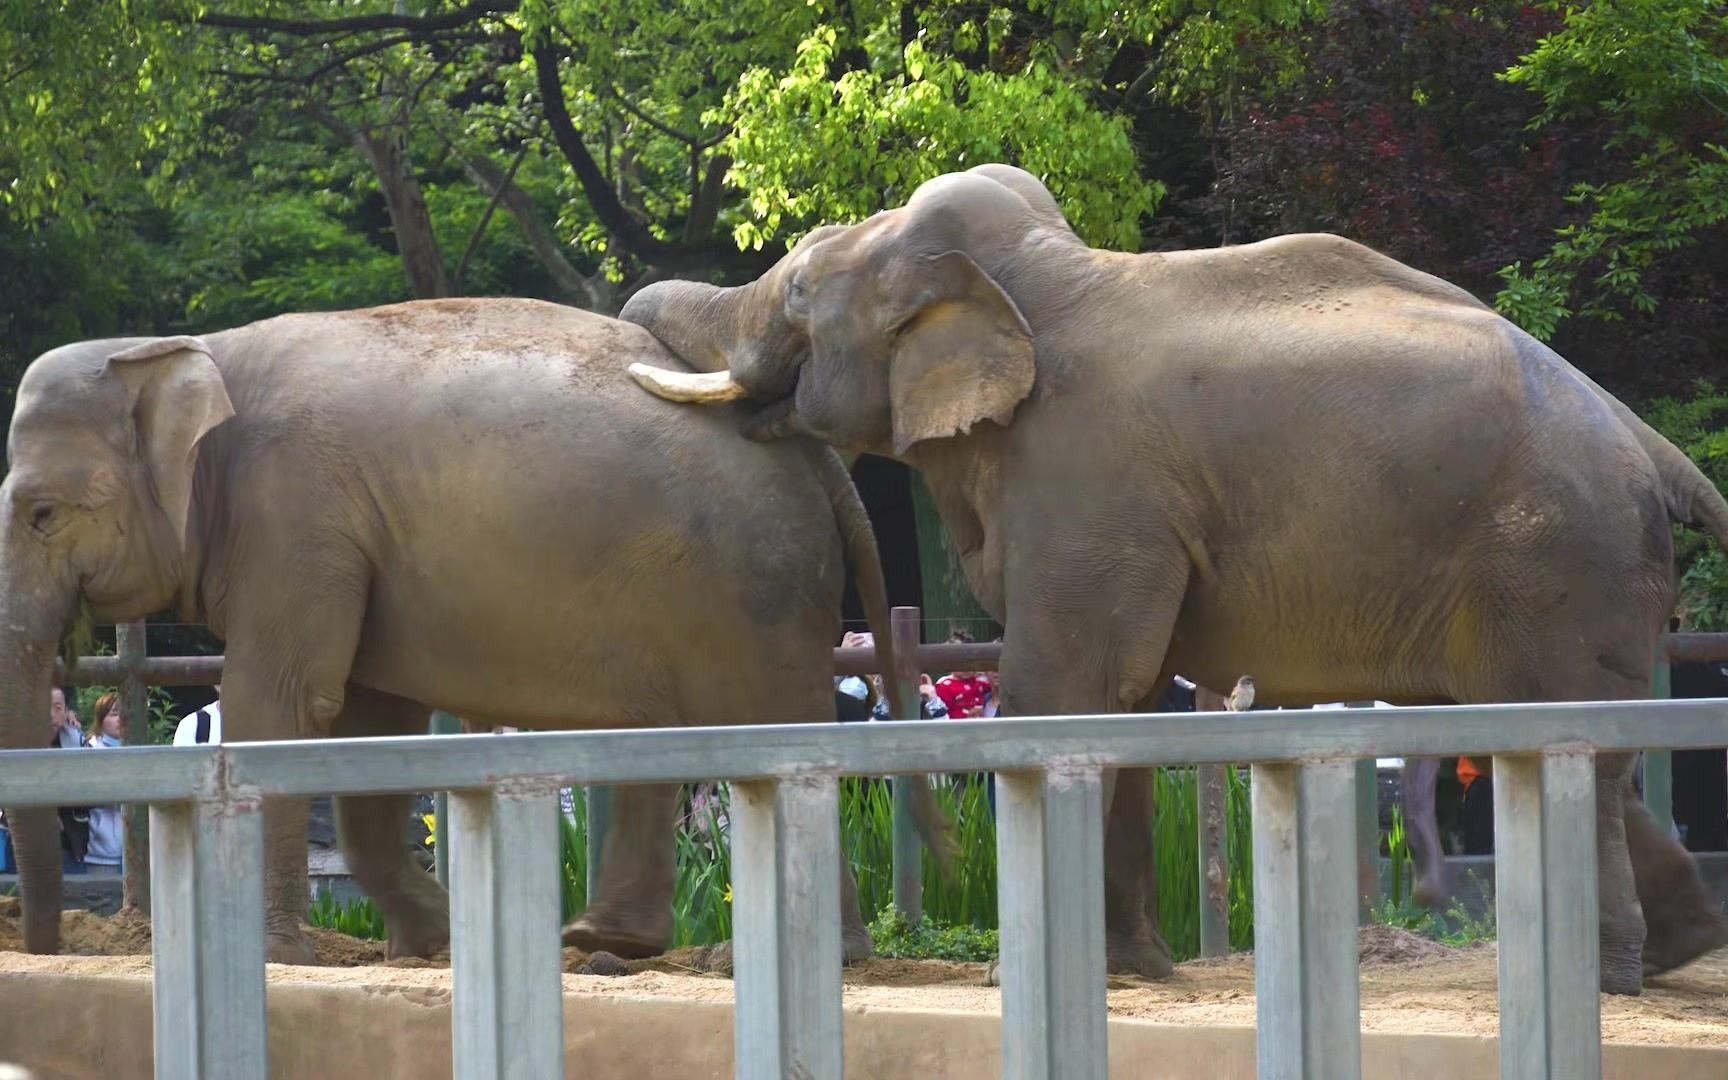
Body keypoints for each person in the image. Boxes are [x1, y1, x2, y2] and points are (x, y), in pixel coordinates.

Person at [80, 692, 126, 870]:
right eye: (114, 714)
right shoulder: (88, 750)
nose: (120, 719)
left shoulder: (138, 749)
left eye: (124, 713)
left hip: (136, 850)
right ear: (100, 719)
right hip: (99, 851)